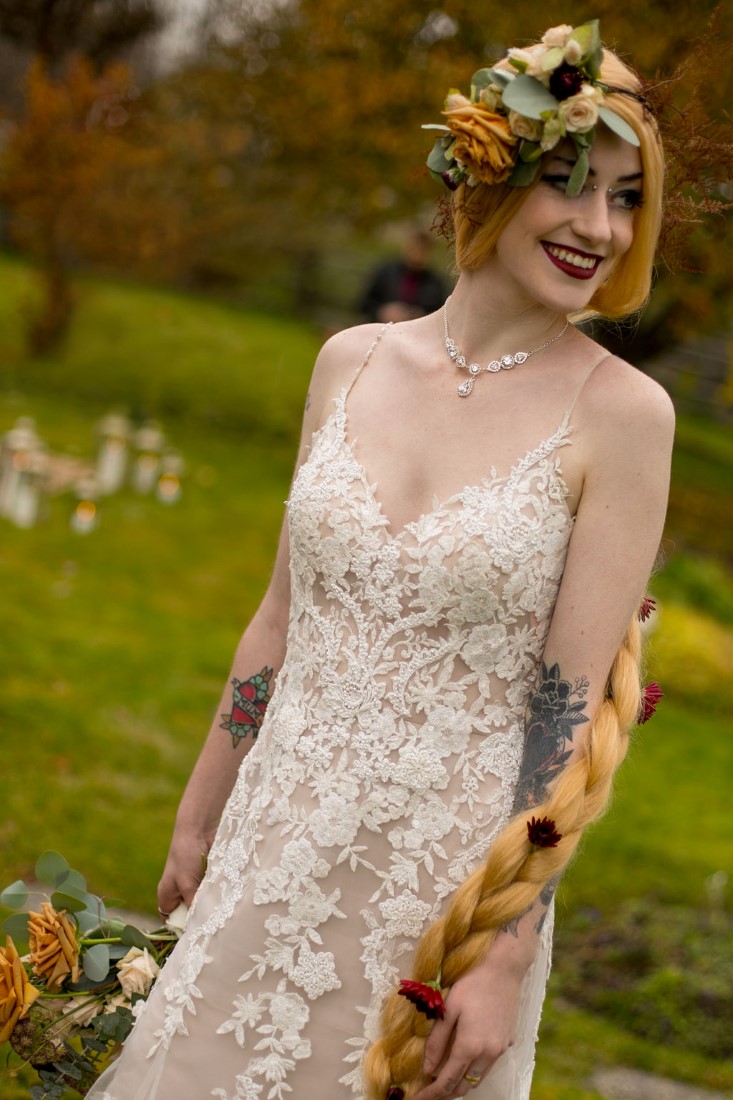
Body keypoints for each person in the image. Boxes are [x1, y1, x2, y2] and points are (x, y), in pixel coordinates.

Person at [88, 21, 674, 1100]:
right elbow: (280, 615)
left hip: (441, 896)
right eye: (570, 183)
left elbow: (568, 709)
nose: (598, 225)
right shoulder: (348, 361)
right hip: (275, 831)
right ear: (487, 175)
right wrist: (202, 803)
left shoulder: (625, 416)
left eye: (626, 197)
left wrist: (500, 953)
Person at [359, 228, 448, 323]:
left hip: (416, 332)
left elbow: (441, 315)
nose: (417, 254)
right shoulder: (386, 272)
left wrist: (421, 317)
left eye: (422, 250)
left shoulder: (435, 282)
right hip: (382, 329)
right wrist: (382, 311)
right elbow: (363, 303)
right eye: (414, 248)